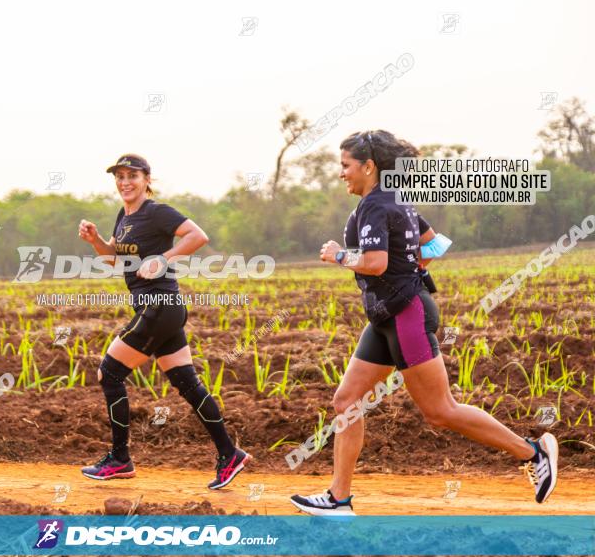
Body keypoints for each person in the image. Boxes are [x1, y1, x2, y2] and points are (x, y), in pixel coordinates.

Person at [290, 130, 558, 515]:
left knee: (440, 411)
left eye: (345, 166)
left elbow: (376, 263)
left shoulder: (377, 205)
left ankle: (533, 454)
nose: (341, 173)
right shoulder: (391, 200)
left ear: (368, 167)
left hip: (405, 316)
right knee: (346, 401)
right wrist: (410, 270)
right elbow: (434, 245)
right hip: (387, 315)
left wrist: (339, 256)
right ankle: (339, 499)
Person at [77, 153, 251, 489]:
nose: (125, 182)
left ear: (146, 179)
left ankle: (119, 459)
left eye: (132, 176)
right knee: (187, 382)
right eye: (120, 176)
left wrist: (162, 258)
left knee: (110, 373)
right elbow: (114, 260)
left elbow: (197, 235)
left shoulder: (156, 211)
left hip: (158, 306)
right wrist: (95, 240)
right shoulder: (123, 216)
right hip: (162, 309)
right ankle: (229, 454)